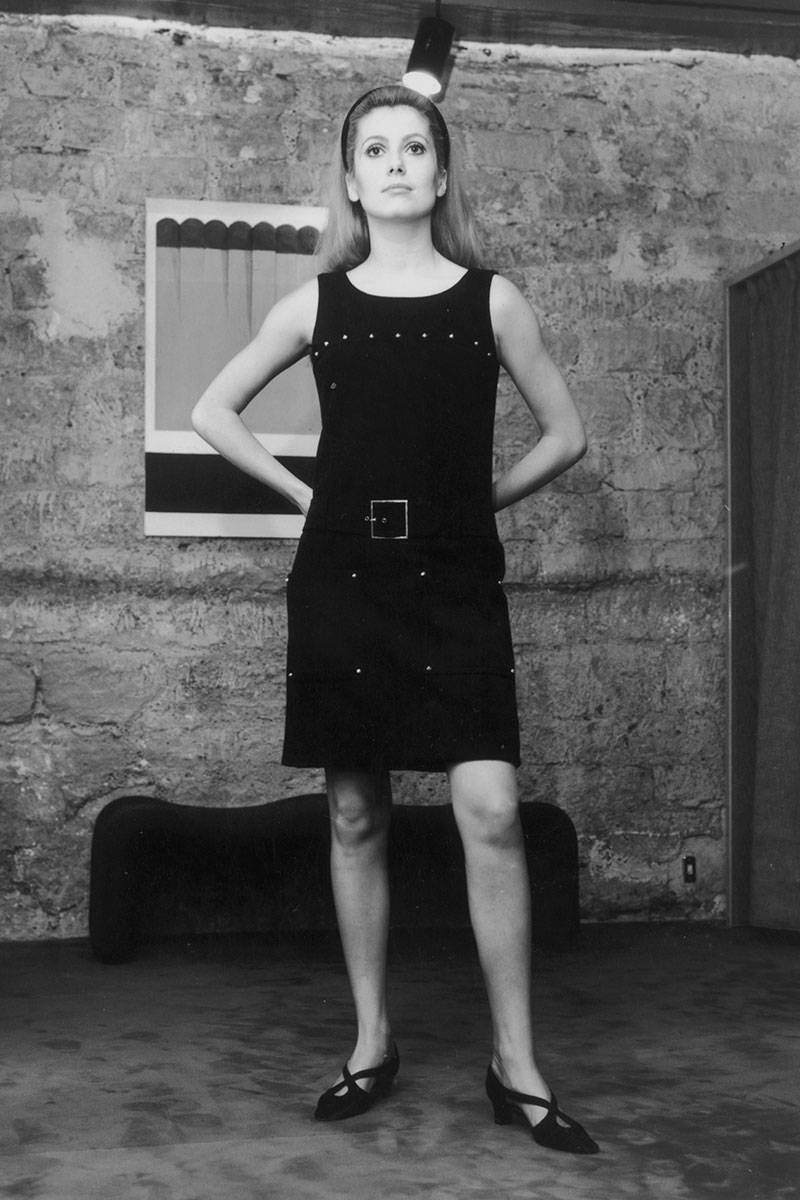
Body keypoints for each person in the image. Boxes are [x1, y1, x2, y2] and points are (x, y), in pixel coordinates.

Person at [191, 84, 598, 1156]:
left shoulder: (493, 301)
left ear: (442, 172)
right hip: (345, 581)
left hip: (454, 581)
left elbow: (565, 435)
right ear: (352, 179)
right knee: (356, 813)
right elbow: (211, 410)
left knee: (491, 809)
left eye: (414, 146)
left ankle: (515, 1065)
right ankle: (372, 1042)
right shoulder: (316, 304)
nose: (397, 163)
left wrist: (477, 505)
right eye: (375, 150)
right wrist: (306, 498)